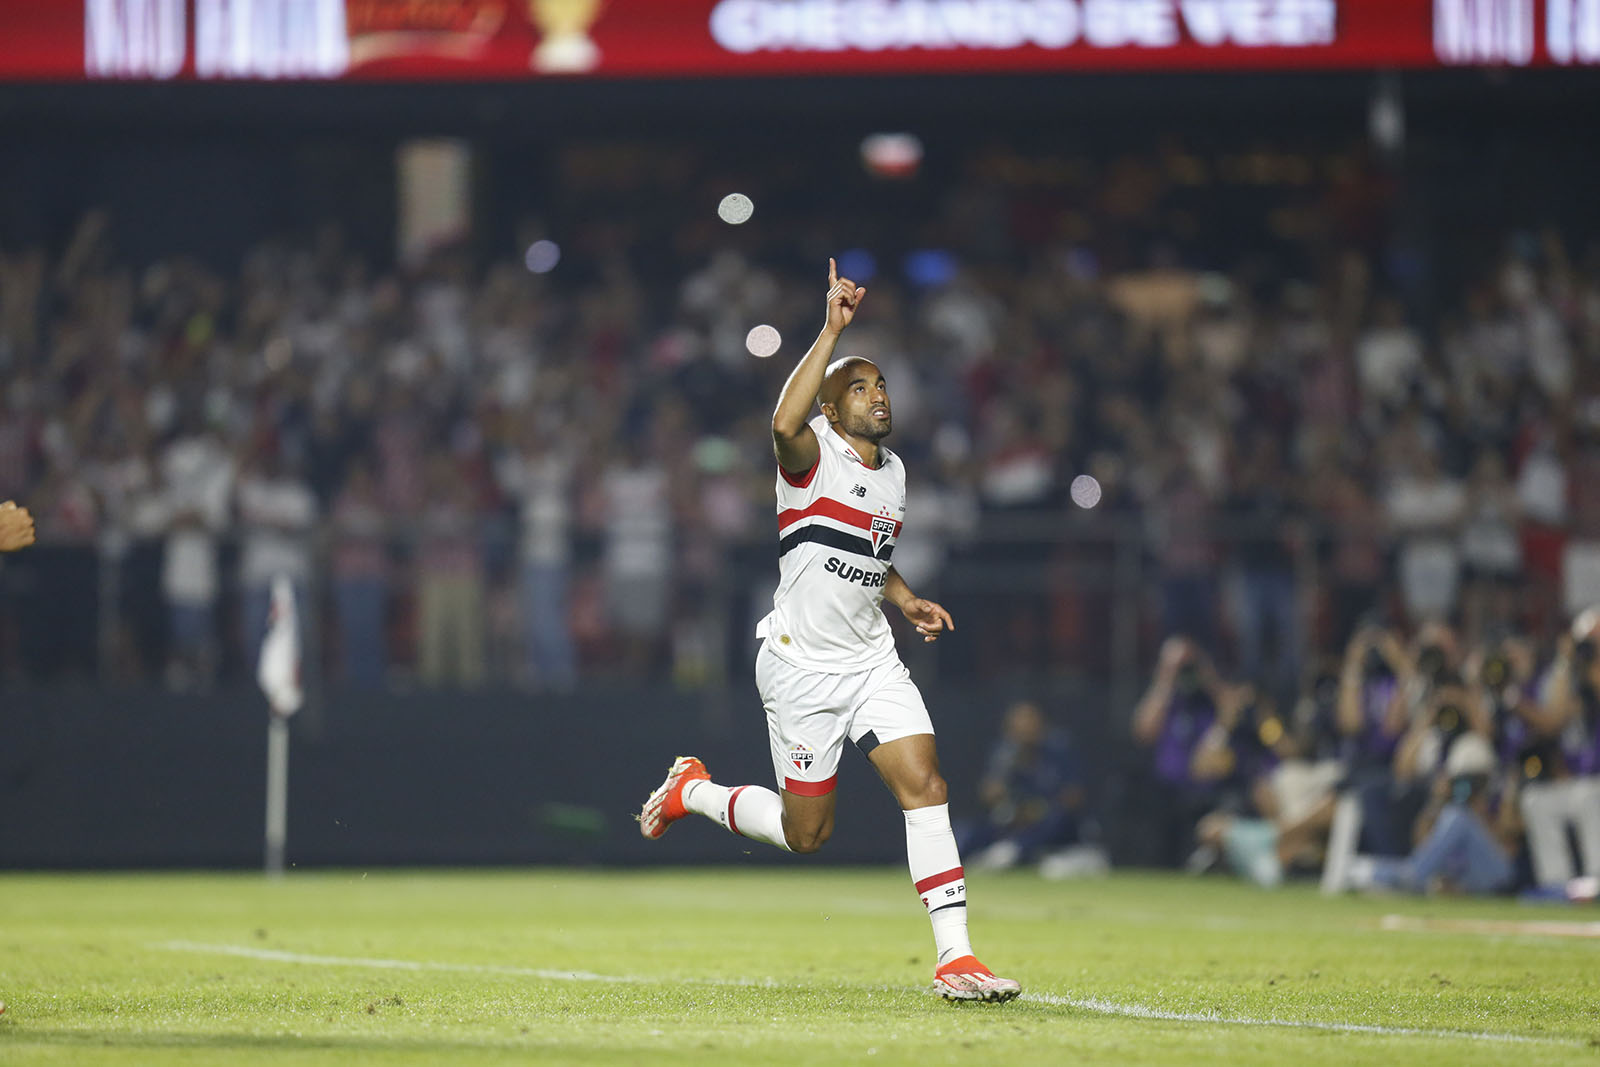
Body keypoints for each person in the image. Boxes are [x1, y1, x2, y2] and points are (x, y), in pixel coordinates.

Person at [637, 260, 1020, 1003]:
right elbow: (780, 422)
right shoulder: (808, 456)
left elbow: (869, 553)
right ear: (832, 410)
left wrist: (903, 596)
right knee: (806, 832)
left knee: (926, 784)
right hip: (801, 667)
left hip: (872, 661)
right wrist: (831, 331)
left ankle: (957, 957)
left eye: (880, 384)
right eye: (858, 387)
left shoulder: (896, 472)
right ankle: (696, 790)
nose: (876, 395)